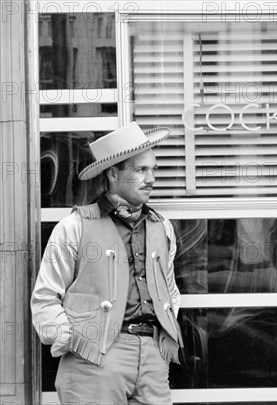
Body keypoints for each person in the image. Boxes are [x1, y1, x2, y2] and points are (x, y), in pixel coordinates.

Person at [31, 122, 183, 405]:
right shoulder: (74, 227)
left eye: (154, 169)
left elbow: (170, 290)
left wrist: (159, 343)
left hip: (152, 358)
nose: (151, 179)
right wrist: (71, 339)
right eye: (141, 170)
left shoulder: (162, 226)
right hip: (94, 358)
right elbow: (45, 298)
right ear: (113, 173)